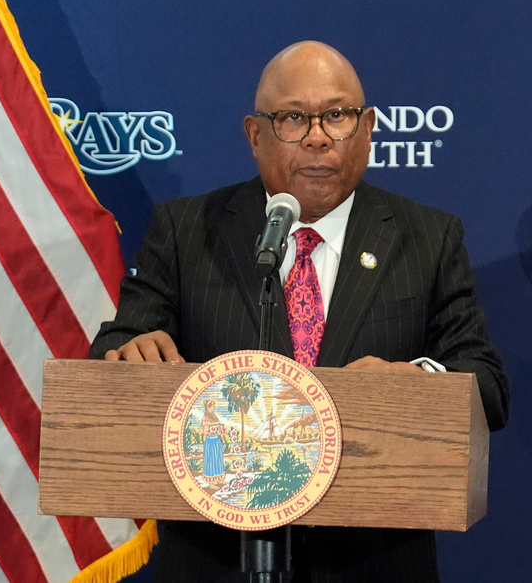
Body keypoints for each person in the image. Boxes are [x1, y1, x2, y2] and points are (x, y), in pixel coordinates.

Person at [88, 40, 509, 582]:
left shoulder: (428, 237)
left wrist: (415, 383)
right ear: (255, 135)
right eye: (293, 118)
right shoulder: (187, 231)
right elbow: (109, 356)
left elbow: (489, 388)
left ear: (368, 128)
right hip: (215, 560)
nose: (317, 136)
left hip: (373, 562)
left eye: (337, 116)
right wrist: (129, 356)